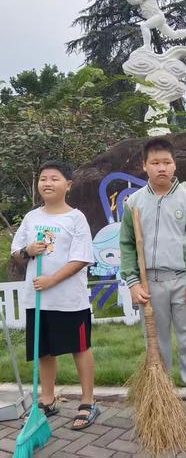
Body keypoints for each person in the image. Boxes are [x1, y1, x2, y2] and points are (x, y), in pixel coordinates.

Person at [119, 137, 186, 420]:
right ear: (144, 166)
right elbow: (126, 244)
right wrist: (133, 282)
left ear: (175, 165)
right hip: (149, 284)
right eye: (155, 163)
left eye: (167, 162)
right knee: (156, 343)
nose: (162, 168)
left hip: (183, 281)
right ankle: (162, 394)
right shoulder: (134, 203)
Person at [11, 160, 99, 430]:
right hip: (37, 300)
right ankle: (47, 400)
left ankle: (88, 402)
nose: (47, 183)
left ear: (68, 185)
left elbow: (81, 258)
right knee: (44, 351)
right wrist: (28, 251)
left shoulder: (76, 218)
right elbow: (16, 253)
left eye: (54, 178)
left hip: (69, 301)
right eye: (43, 178)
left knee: (79, 348)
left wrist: (52, 280)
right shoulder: (31, 218)